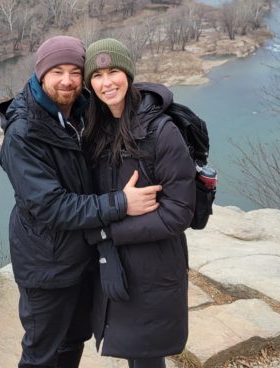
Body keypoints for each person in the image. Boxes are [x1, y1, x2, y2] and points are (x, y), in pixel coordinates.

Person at [0, 35, 163, 368]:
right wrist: (120, 204)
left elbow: (123, 103)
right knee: (42, 352)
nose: (67, 81)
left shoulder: (85, 111)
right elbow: (50, 205)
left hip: (84, 254)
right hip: (47, 263)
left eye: (75, 71)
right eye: (57, 71)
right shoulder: (24, 133)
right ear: (40, 74)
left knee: (74, 339)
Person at [82, 38, 195, 368]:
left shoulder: (162, 131)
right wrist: (117, 207)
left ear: (128, 74)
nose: (107, 83)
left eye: (113, 71)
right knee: (134, 352)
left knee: (146, 355)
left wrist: (110, 232)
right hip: (113, 262)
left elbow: (178, 212)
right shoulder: (96, 128)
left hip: (153, 264)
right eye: (97, 75)